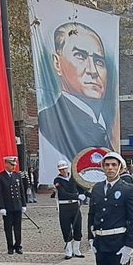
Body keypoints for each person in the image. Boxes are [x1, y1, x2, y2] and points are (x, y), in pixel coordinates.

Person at [38, 22, 114, 164]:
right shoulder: (50, 121)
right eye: (80, 56)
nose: (93, 71)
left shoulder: (104, 124)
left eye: (99, 61)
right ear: (57, 63)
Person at [52, 159, 86, 259]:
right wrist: (77, 196)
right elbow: (62, 194)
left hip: (75, 206)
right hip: (64, 206)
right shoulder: (57, 180)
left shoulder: (74, 178)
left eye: (64, 168)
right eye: (61, 169)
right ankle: (68, 251)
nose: (63, 171)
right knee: (66, 228)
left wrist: (86, 193)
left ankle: (76, 249)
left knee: (78, 227)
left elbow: (81, 188)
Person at [0, 156, 27, 254]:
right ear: (6, 164)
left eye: (14, 165)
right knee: (8, 228)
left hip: (17, 205)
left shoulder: (17, 176)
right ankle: (10, 246)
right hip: (7, 207)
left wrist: (23, 204)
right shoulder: (0, 177)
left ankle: (18, 246)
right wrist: (1, 207)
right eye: (11, 165)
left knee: (18, 227)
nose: (13, 167)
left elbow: (22, 191)